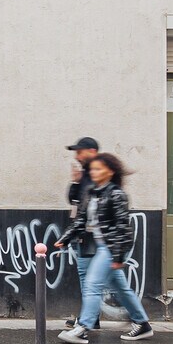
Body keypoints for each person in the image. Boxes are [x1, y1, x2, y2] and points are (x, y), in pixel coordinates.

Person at [55, 153, 153, 344]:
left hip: (111, 247)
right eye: (92, 169)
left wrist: (117, 256)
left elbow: (122, 228)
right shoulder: (92, 192)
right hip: (101, 247)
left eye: (98, 169)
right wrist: (66, 239)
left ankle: (83, 328)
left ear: (110, 171)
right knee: (121, 288)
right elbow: (81, 221)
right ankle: (142, 324)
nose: (94, 172)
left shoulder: (117, 195)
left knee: (92, 285)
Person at [62, 136, 99, 334]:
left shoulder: (97, 172)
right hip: (84, 232)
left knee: (88, 278)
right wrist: (75, 181)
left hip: (92, 234)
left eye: (80, 151)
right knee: (90, 278)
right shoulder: (85, 174)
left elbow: (87, 207)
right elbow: (73, 201)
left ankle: (88, 320)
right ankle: (91, 318)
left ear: (91, 151)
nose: (77, 155)